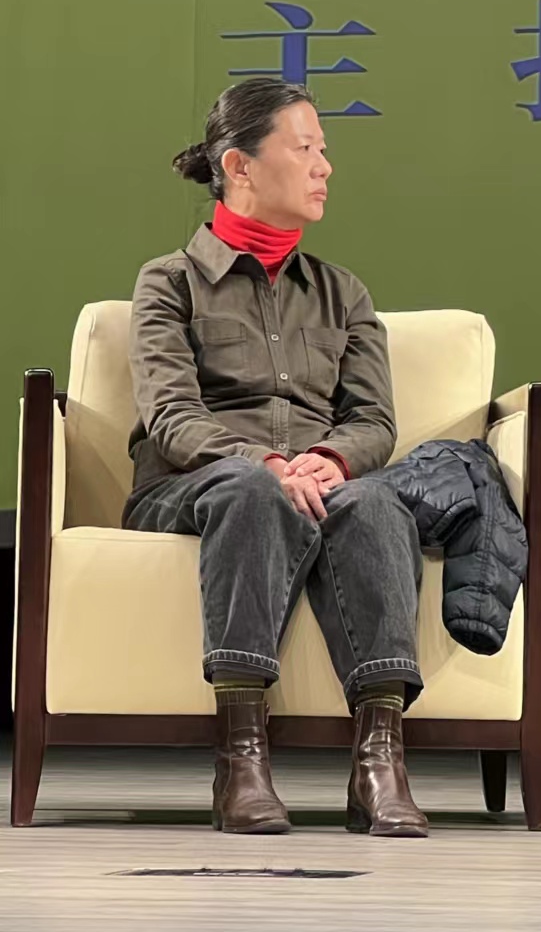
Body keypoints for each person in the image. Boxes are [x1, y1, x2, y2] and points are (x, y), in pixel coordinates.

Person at [125, 77, 428, 837]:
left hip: (313, 482)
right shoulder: (168, 283)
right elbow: (171, 417)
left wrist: (332, 458)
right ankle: (242, 762)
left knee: (376, 500)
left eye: (324, 150)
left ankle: (380, 763)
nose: (325, 167)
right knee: (250, 490)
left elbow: (373, 420)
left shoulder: (343, 294)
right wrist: (262, 461)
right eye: (305, 148)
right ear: (239, 166)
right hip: (195, 486)